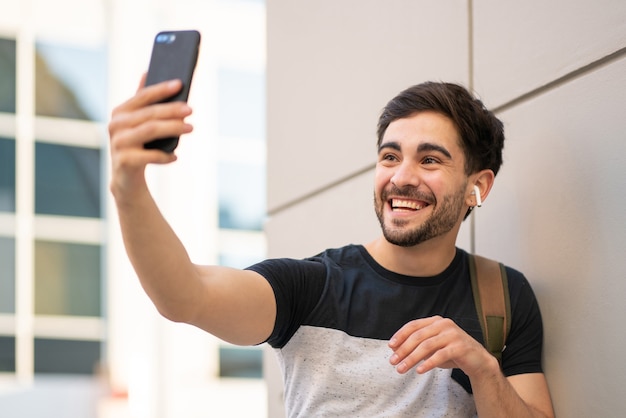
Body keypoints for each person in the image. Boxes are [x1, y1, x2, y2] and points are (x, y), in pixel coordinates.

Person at [108, 77, 554, 418]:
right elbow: (185, 295)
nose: (401, 177)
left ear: (478, 185)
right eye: (390, 156)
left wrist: (482, 368)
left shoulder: (503, 296)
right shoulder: (311, 286)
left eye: (430, 159)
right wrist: (129, 188)